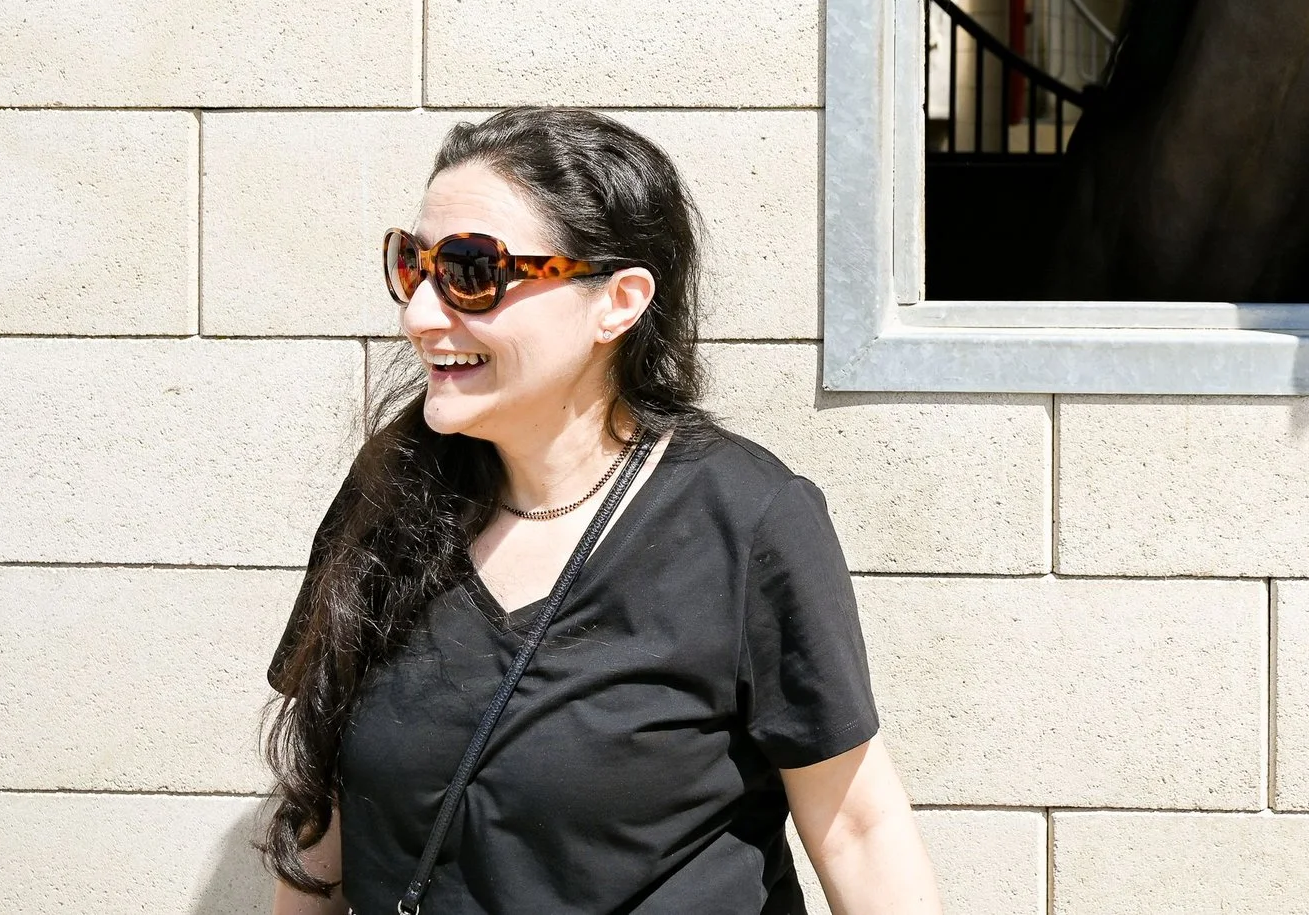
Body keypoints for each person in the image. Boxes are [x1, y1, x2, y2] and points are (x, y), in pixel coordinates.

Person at [263, 108, 938, 913]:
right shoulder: (390, 494)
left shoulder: (747, 520)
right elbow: (326, 806)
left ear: (617, 302)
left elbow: (858, 829)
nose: (420, 313)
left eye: (473, 271)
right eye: (414, 266)